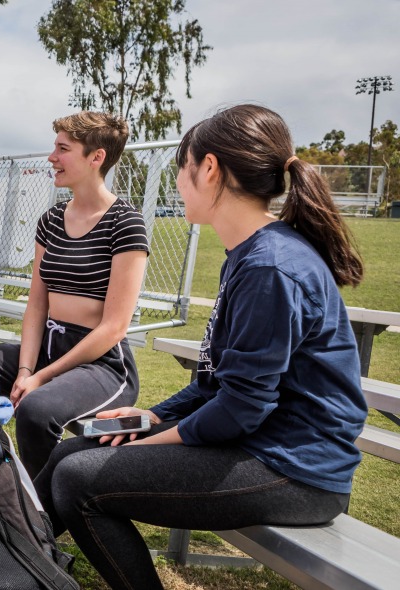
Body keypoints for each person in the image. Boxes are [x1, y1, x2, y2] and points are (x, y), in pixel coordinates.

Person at [33, 104, 368, 590]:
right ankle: (5, 552)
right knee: (76, 451)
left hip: (297, 472)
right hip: (260, 444)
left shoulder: (270, 266)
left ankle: (7, 553)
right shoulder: (249, 254)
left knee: (78, 479)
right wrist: (148, 416)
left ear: (209, 168)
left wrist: (150, 438)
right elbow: (214, 384)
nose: (177, 184)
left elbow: (241, 409)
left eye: (181, 170)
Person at [0, 111, 148, 478]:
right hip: (47, 350)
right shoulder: (51, 220)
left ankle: (38, 516)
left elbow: (114, 327)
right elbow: (37, 304)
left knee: (36, 409)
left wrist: (40, 379)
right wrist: (26, 369)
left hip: (101, 365)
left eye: (63, 149)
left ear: (96, 158)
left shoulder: (125, 222)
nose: (52, 157)